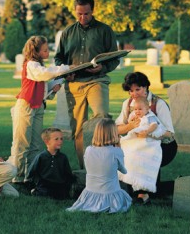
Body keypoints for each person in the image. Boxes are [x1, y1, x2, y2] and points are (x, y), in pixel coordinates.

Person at [54, 0, 119, 168]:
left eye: (86, 14)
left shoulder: (105, 30)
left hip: (97, 81)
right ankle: (86, 169)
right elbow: (58, 58)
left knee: (102, 118)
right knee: (78, 129)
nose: (83, 18)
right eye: (79, 14)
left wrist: (102, 68)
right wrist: (65, 71)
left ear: (93, 11)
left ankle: (105, 164)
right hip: (74, 85)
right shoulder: (67, 32)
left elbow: (114, 59)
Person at [8, 36, 71, 184]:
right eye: (45, 50)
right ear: (35, 51)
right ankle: (17, 178)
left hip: (38, 107)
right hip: (26, 107)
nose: (48, 52)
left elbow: (42, 88)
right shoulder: (31, 64)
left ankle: (29, 177)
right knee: (22, 144)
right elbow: (43, 74)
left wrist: (55, 85)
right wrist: (65, 68)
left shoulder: (37, 66)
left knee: (35, 145)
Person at [115, 71, 178, 203]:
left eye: (137, 89)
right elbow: (117, 129)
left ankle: (143, 193)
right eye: (130, 91)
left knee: (143, 156)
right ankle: (142, 190)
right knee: (128, 153)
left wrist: (148, 133)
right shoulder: (127, 104)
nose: (134, 94)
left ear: (146, 87)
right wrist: (130, 126)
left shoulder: (158, 103)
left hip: (164, 145)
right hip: (137, 145)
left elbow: (170, 133)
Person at [67, 118, 132, 213]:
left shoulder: (89, 149)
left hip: (90, 193)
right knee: (126, 198)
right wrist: (119, 148)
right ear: (114, 133)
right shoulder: (116, 151)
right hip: (109, 194)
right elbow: (123, 171)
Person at [119, 97, 166, 203]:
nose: (137, 111)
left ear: (147, 109)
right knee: (128, 149)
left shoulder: (150, 116)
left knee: (142, 153)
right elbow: (130, 124)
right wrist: (131, 122)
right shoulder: (135, 116)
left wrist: (147, 131)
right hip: (136, 137)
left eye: (140, 109)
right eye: (135, 109)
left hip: (147, 138)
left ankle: (142, 189)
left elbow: (154, 126)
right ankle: (130, 181)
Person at [26, 128, 75, 199]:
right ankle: (35, 191)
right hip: (44, 186)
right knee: (44, 193)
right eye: (56, 139)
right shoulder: (41, 157)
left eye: (61, 139)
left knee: (62, 195)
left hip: (59, 186)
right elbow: (31, 172)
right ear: (47, 142)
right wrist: (31, 185)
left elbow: (68, 174)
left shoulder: (63, 157)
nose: (60, 141)